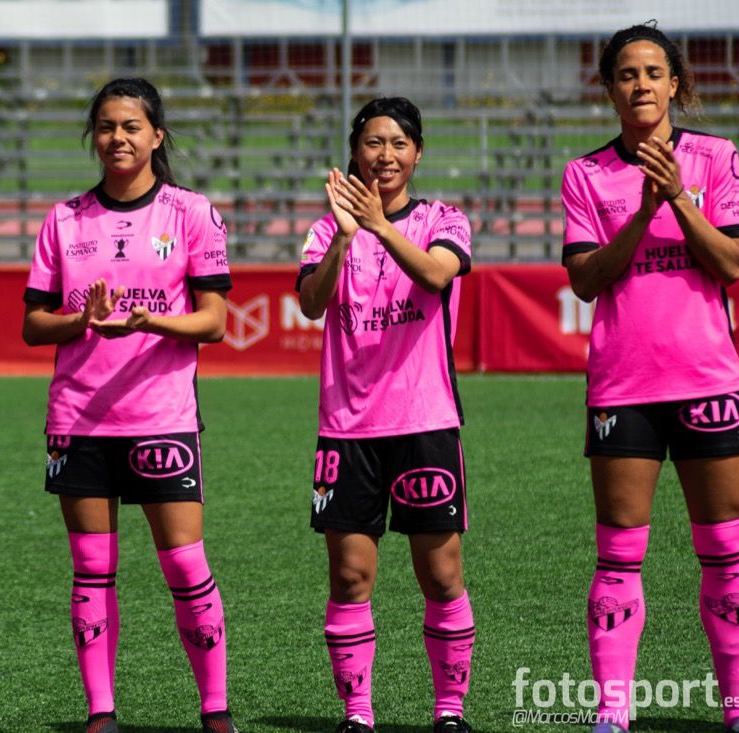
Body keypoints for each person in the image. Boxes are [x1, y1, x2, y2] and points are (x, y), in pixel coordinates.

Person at [21, 77, 238, 733]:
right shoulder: (63, 219)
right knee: (92, 569)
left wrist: (150, 321)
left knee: (185, 564)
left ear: (156, 135)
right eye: (107, 126)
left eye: (131, 126)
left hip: (162, 416)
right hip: (80, 419)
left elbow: (215, 321)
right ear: (94, 136)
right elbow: (33, 325)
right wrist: (80, 321)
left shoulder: (191, 212)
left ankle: (215, 710)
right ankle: (101, 712)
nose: (118, 137)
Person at [560, 22, 739, 733]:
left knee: (725, 554)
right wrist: (642, 212)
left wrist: (678, 197)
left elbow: (730, 265)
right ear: (609, 90)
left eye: (652, 72)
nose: (639, 84)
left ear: (676, 84)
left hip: (708, 381)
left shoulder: (716, 157)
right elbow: (586, 280)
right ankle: (613, 713)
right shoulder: (585, 174)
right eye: (626, 74)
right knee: (617, 557)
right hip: (623, 388)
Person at [297, 97, 475, 733]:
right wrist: (348, 234)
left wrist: (379, 226)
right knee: (350, 577)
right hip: (346, 429)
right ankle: (357, 715)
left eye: (399, 143)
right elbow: (311, 304)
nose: (386, 155)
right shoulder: (327, 230)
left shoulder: (442, 219)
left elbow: (435, 275)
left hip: (425, 422)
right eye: (373, 142)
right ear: (354, 152)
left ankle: (449, 712)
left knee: (441, 574)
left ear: (418, 153)